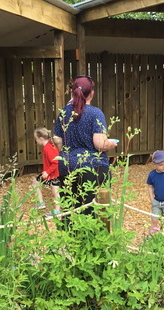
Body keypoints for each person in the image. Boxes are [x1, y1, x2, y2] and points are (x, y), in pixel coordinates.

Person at [53, 75, 118, 213]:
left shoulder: (64, 112)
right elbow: (100, 144)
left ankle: (70, 234)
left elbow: (57, 140)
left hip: (67, 166)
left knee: (70, 210)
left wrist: (67, 154)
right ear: (92, 93)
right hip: (93, 167)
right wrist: (110, 144)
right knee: (95, 210)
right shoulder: (95, 113)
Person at [32, 127, 61, 215]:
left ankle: (56, 210)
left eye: (36, 139)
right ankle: (41, 203)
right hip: (49, 173)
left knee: (55, 191)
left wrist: (47, 172)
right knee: (35, 183)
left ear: (41, 139)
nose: (36, 141)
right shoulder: (47, 146)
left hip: (52, 175)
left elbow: (55, 163)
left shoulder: (48, 148)